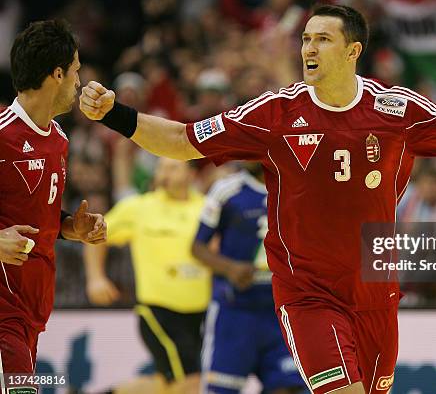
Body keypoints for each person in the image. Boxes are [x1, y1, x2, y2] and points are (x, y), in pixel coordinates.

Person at [79, 5, 436, 394]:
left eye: (323, 39)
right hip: (307, 292)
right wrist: (114, 115)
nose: (309, 48)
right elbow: (181, 140)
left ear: (352, 52)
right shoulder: (275, 113)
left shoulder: (397, 109)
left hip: (375, 291)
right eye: (305, 39)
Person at [0, 20, 106, 382]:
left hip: (32, 308)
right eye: (76, 71)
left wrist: (71, 228)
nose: (79, 82)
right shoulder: (2, 135)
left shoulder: (58, 138)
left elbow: (33, 214)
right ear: (57, 74)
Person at [84, 157, 210, 394]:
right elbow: (94, 237)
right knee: (191, 381)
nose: (164, 173)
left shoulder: (207, 207)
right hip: (158, 311)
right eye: (161, 167)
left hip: (201, 313)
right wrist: (96, 278)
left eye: (173, 167)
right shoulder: (139, 207)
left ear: (192, 175)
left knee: (166, 385)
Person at [192, 162, 304, 394]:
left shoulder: (297, 188)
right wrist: (230, 268)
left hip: (282, 313)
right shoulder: (227, 190)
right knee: (221, 389)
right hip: (235, 312)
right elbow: (197, 247)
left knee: (289, 388)